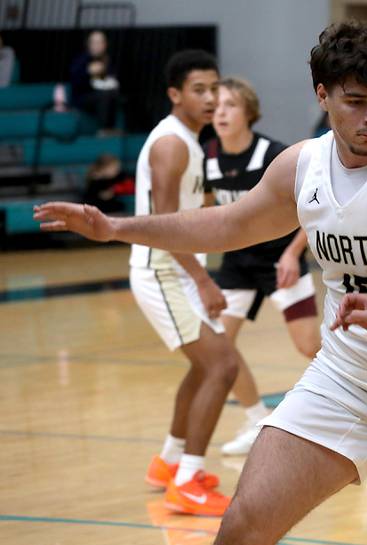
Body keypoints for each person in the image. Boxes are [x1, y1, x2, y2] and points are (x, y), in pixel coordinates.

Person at [34, 22, 367, 545]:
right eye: (357, 101)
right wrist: (115, 227)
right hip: (346, 378)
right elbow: (228, 225)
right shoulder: (302, 166)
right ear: (323, 95)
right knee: (244, 526)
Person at [130, 49, 236, 516]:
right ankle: (189, 480)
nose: (211, 98)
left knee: (203, 366)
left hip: (175, 270)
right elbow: (163, 224)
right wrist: (203, 280)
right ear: (175, 94)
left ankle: (168, 464)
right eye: (199, 90)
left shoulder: (190, 139)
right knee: (222, 366)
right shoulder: (172, 144)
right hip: (162, 270)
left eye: (215, 88)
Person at [203, 76, 320, 455]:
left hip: (279, 258)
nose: (220, 112)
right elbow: (210, 209)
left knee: (309, 346)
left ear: (248, 113)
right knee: (218, 345)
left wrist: (293, 253)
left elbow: (312, 207)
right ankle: (255, 418)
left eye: (230, 105)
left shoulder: (274, 154)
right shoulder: (208, 155)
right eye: (216, 106)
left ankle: (363, 405)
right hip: (238, 261)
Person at [69, 30, 120, 132]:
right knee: (104, 96)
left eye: (100, 42)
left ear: (105, 44)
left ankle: (111, 129)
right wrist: (88, 72)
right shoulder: (82, 60)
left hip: (104, 95)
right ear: (89, 44)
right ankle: (104, 130)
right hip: (83, 98)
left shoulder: (108, 60)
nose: (97, 45)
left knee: (112, 94)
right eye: (94, 42)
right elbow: (75, 84)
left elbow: (114, 80)